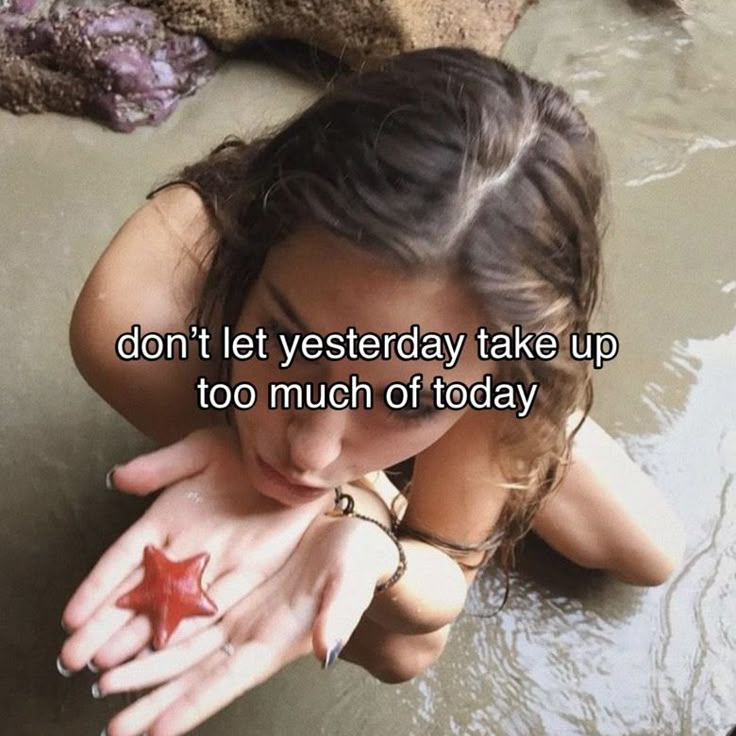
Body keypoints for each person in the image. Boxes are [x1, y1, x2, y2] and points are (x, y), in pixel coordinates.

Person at [58, 47, 685, 736]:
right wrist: (353, 501)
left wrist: (375, 554)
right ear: (264, 233)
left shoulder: (496, 350)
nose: (309, 445)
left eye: (409, 401)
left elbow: (434, 608)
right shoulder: (135, 316)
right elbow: (400, 649)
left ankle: (528, 427)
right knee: (381, 639)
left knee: (646, 553)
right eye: (288, 345)